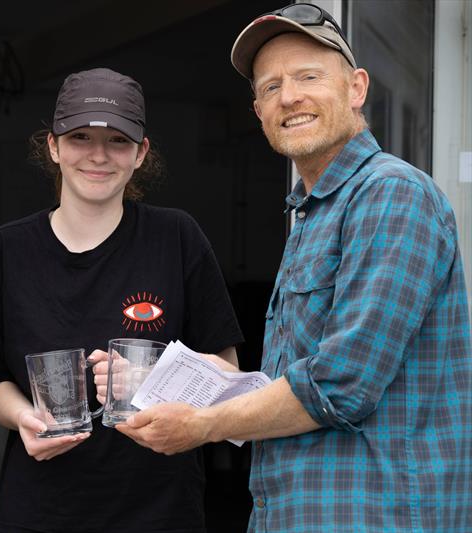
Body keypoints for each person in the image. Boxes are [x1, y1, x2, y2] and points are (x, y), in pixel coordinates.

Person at [117, 4, 472, 532]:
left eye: (309, 76)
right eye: (270, 86)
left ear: (356, 88)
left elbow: (339, 385)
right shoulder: (311, 211)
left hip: (377, 516)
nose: (289, 97)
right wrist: (206, 380)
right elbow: (300, 380)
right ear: (258, 109)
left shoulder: (393, 195)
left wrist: (203, 425)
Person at [0, 67, 243, 532]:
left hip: (159, 512)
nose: (98, 155)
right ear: (53, 147)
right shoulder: (8, 249)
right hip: (38, 513)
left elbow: (231, 375)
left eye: (118, 141)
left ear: (141, 153)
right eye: (79, 137)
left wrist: (157, 378)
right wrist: (23, 418)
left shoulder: (176, 237)